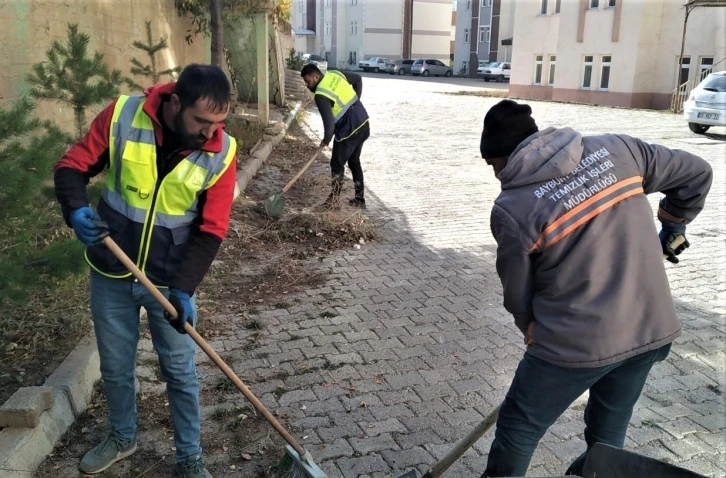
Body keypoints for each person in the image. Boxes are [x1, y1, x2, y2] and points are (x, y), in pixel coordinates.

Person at [479, 100, 713, 477]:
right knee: (608, 436)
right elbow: (697, 173)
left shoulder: (512, 207)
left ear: (501, 157)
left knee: (519, 428)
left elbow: (517, 290)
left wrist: (529, 325)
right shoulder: (620, 151)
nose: (495, 175)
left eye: (493, 166)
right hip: (647, 330)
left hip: (573, 345)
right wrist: (674, 224)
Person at [54, 64, 238, 478]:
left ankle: (189, 456)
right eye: (202, 122)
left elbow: (211, 231)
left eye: (219, 123)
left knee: (179, 369)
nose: (211, 133)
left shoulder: (221, 152)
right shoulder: (122, 115)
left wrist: (185, 289)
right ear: (175, 103)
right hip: (112, 268)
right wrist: (76, 209)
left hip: (168, 281)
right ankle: (122, 437)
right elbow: (72, 166)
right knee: (116, 366)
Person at [301, 64, 370, 209]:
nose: (307, 85)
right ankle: (359, 199)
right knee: (354, 161)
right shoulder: (334, 74)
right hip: (363, 122)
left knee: (337, 165)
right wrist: (356, 102)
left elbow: (330, 125)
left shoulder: (320, 95)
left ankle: (334, 202)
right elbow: (358, 79)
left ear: (316, 76)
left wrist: (325, 140)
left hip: (349, 130)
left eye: (308, 81)